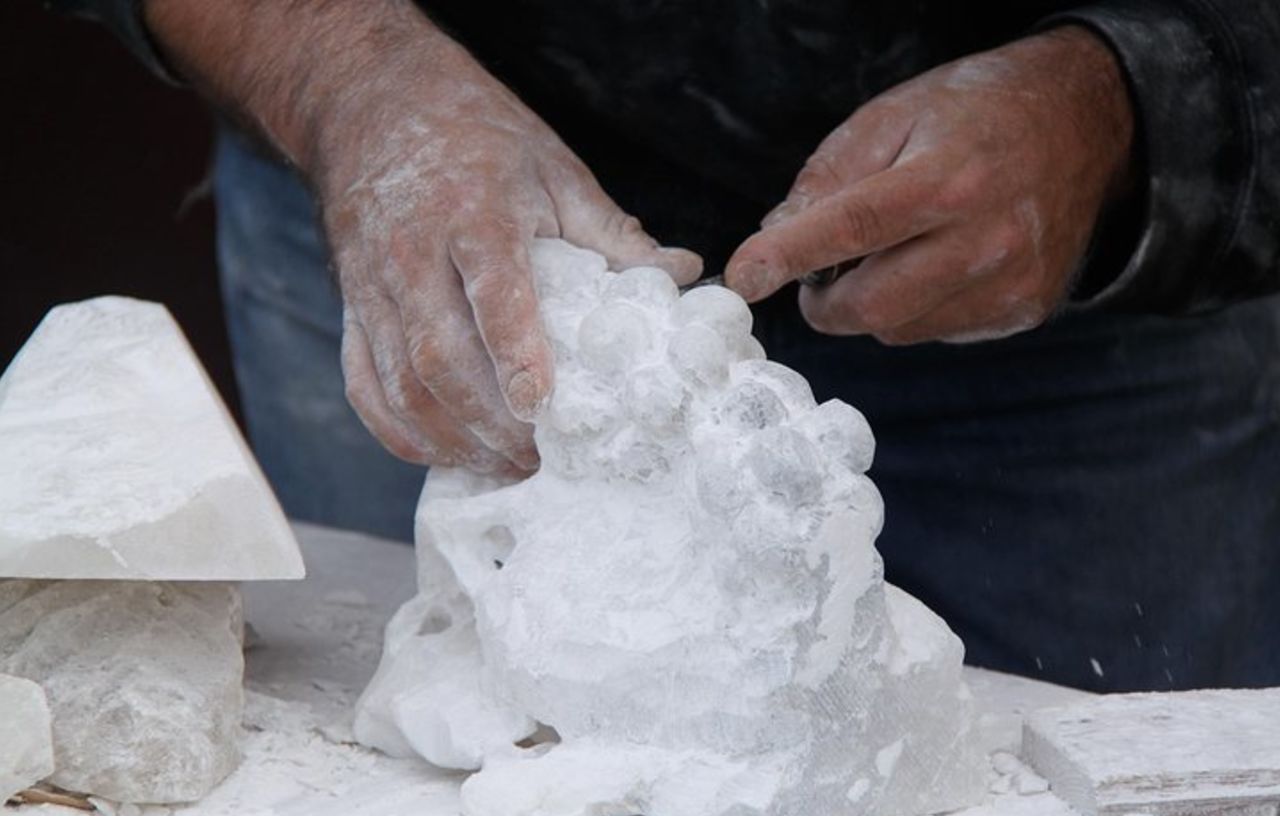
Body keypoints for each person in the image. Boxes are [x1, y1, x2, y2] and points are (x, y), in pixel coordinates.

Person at [56, 0, 1279, 693]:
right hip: (415, 200)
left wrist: (1128, 106)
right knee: (421, 762)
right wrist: (342, 72)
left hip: (1086, 291)